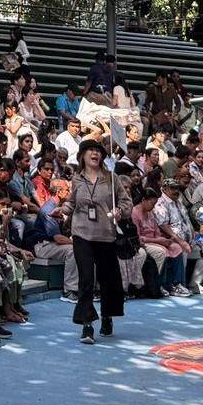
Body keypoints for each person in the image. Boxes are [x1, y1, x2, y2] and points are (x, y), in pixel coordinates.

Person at [66, 139, 127, 343]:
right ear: (82, 155)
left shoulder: (112, 178)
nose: (95, 153)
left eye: (98, 151)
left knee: (108, 280)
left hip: (106, 233)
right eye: (90, 150)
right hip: (82, 233)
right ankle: (87, 325)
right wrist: (61, 210)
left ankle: (107, 315)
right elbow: (71, 203)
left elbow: (126, 202)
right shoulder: (76, 179)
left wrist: (120, 211)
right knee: (86, 279)